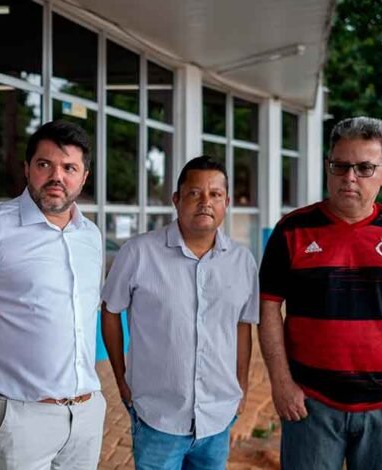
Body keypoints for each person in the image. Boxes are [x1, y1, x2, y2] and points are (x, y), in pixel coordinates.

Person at [259, 116, 382, 470]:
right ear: (327, 167)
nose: (349, 177)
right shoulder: (292, 230)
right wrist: (281, 383)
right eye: (340, 165)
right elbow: (268, 307)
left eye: (364, 168)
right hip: (309, 405)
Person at [0, 119, 106, 469]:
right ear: (27, 168)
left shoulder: (91, 236)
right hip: (17, 418)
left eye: (69, 168)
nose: (56, 177)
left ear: (84, 177)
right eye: (44, 164)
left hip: (85, 414)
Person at [101, 156, 258, 470]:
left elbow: (243, 326)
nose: (205, 202)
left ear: (226, 202)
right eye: (194, 193)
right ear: (176, 199)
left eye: (215, 194)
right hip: (158, 417)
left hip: (217, 418)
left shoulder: (243, 261)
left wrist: (241, 387)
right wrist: (120, 378)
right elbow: (110, 311)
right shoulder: (139, 252)